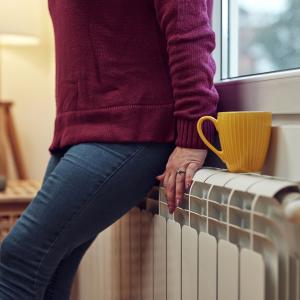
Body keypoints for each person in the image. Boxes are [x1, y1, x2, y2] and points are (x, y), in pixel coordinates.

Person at [0, 0, 219, 298]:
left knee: (15, 262)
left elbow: (189, 29)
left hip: (134, 127)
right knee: (48, 277)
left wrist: (194, 133)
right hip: (80, 132)